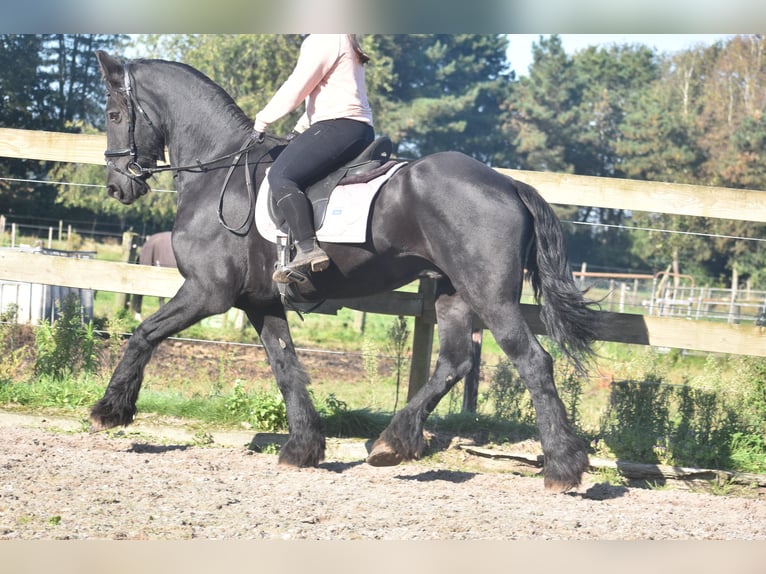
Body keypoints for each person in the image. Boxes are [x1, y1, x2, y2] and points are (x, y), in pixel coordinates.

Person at [253, 34, 375, 284]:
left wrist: (263, 120)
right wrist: (299, 130)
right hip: (355, 128)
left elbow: (297, 86)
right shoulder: (343, 36)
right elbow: (321, 94)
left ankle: (308, 249)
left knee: (281, 175)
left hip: (339, 125)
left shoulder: (325, 37)